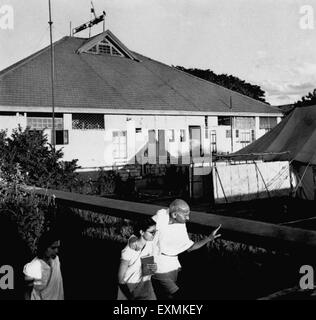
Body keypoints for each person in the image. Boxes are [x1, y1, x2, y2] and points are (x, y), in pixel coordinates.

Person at [149, 199, 221, 300]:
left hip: (172, 262)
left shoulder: (181, 225)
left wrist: (209, 238)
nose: (188, 218)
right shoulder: (162, 215)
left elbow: (190, 247)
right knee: (171, 292)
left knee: (164, 293)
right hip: (155, 263)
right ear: (174, 215)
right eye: (185, 215)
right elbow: (148, 229)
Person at [117, 217, 158, 300]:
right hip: (128, 292)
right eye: (151, 232)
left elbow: (148, 271)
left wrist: (154, 267)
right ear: (142, 232)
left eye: (155, 231)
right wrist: (130, 297)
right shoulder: (128, 251)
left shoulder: (149, 243)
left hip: (146, 290)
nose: (154, 234)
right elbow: (120, 279)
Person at [23, 231, 64, 300]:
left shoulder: (56, 260)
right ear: (44, 246)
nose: (56, 251)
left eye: (57, 247)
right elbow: (27, 292)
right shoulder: (33, 267)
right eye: (53, 248)